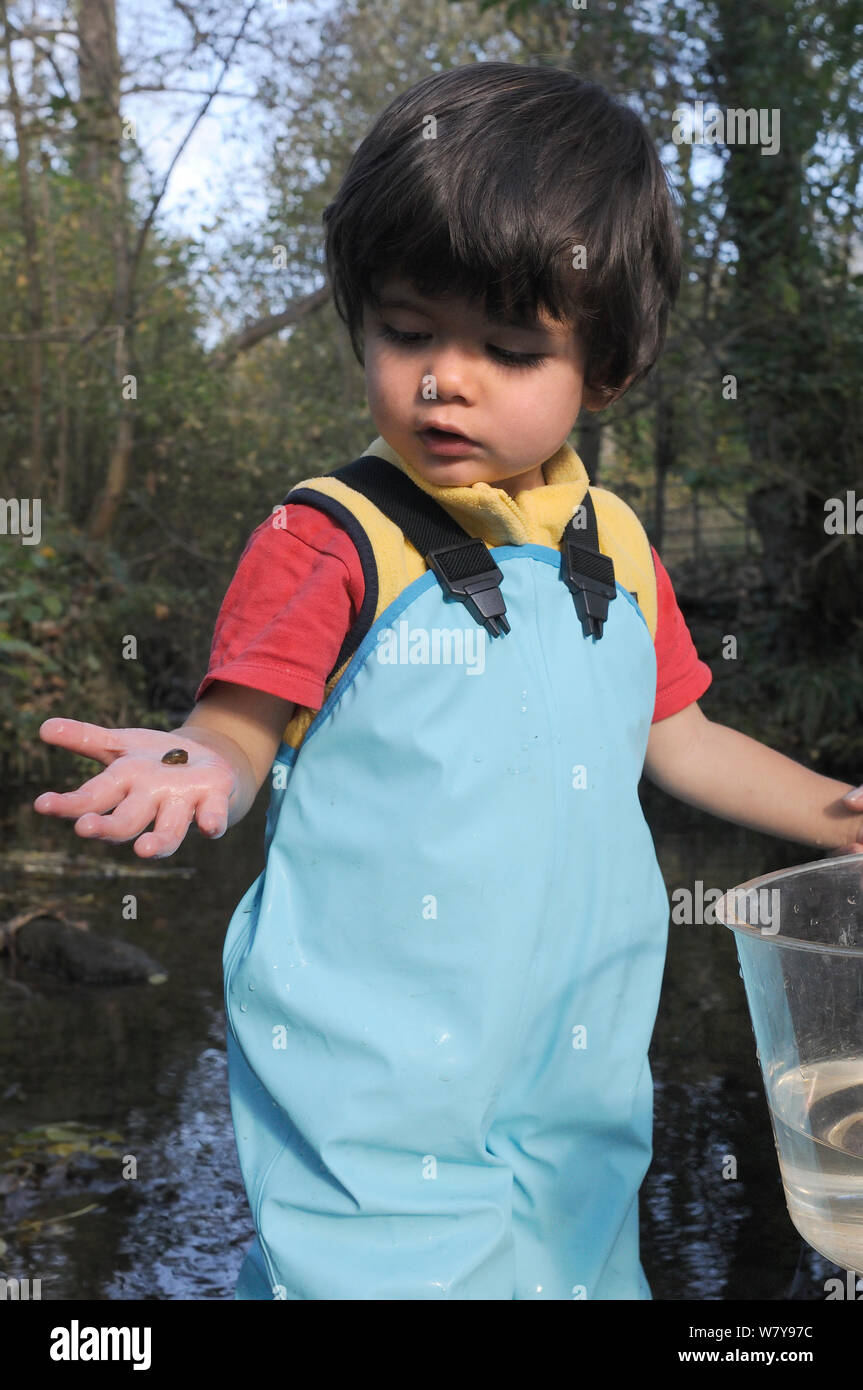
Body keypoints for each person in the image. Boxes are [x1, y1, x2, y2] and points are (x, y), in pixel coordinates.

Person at [34, 62, 863, 1300]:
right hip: (374, 1087)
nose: (442, 380)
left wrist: (843, 812)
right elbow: (241, 719)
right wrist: (202, 758)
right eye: (407, 332)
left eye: (508, 348)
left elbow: (680, 737)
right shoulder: (331, 534)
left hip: (576, 1076)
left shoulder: (621, 547)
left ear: (609, 367)